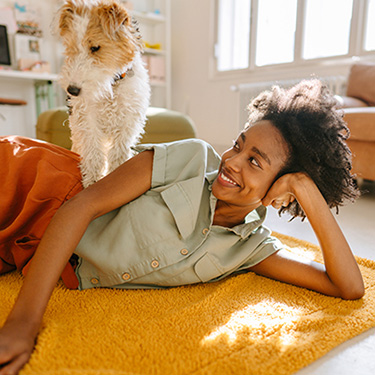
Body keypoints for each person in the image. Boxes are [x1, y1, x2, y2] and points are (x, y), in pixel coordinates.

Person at [0, 80, 364, 374]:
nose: (233, 161)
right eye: (238, 145)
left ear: (281, 189)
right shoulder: (192, 158)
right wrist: (25, 322)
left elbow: (347, 287)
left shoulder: (249, 249)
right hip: (34, 187)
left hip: (30, 247)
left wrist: (306, 192)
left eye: (255, 161)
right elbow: (79, 207)